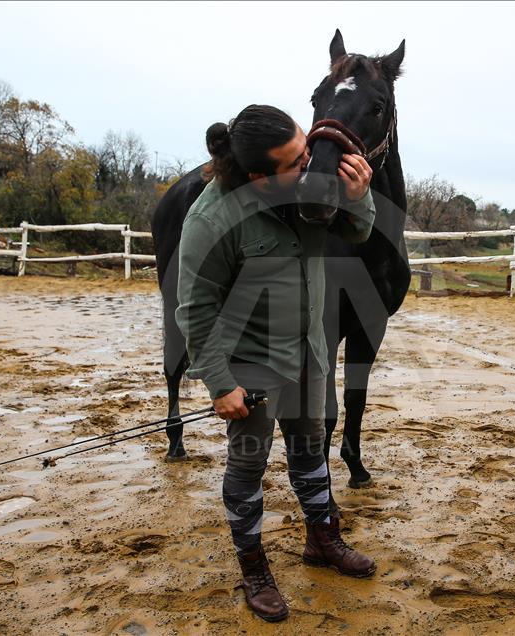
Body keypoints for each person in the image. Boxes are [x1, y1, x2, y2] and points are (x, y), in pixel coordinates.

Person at [175, 104, 377, 622]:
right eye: (296, 162)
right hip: (249, 363)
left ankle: (322, 540)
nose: (310, 165)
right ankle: (254, 568)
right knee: (248, 465)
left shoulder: (310, 188)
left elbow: (357, 233)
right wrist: (220, 384)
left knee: (311, 448)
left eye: (306, 150)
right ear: (259, 177)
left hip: (309, 350)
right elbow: (194, 309)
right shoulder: (212, 219)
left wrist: (359, 196)